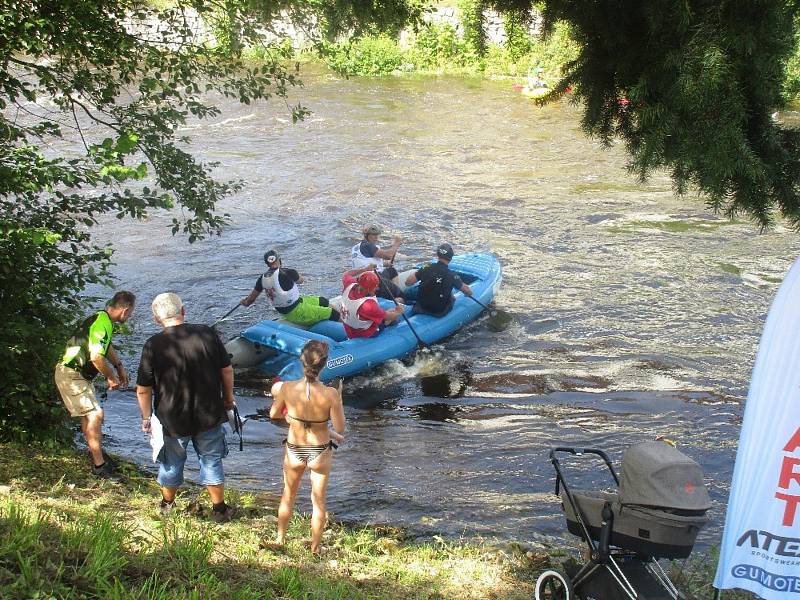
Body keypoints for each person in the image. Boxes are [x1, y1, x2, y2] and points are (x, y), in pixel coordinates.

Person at [136, 292, 238, 522]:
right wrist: (228, 399)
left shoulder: (152, 345)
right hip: (208, 412)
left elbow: (143, 388)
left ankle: (167, 505)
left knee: (171, 462)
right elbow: (227, 370)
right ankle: (219, 509)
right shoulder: (206, 333)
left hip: (171, 418)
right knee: (211, 459)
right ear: (183, 311)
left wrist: (146, 417)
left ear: (156, 319)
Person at [269, 340, 345, 555]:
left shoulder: (287, 387)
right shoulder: (330, 394)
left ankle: (280, 538)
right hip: (319, 450)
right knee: (318, 502)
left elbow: (274, 414)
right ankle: (315, 547)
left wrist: (293, 417)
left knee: (288, 495)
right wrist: (339, 398)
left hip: (294, 447)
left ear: (301, 360)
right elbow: (339, 427)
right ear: (325, 364)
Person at [54, 291, 136, 479]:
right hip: (71, 374)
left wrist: (119, 366)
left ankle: (96, 455)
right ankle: (100, 467)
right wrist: (111, 377)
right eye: (131, 313)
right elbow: (96, 357)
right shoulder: (102, 323)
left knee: (89, 418)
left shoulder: (102, 319)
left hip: (78, 375)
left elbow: (105, 347)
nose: (130, 317)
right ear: (125, 310)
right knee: (95, 415)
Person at [240, 249, 340, 326]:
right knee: (332, 313)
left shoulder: (261, 279)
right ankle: (349, 329)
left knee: (323, 301)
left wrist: (244, 302)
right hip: (296, 312)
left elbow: (250, 300)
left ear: (267, 264)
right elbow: (301, 281)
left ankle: (343, 318)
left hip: (293, 306)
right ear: (279, 260)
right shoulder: (289, 272)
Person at [404, 243, 472, 317]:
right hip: (439, 311)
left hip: (421, 306)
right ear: (450, 258)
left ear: (438, 255)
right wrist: (468, 293)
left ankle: (402, 301)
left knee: (408, 292)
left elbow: (408, 282)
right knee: (451, 294)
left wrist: (421, 273)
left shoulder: (426, 267)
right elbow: (468, 291)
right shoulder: (452, 275)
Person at [340, 268, 404, 339]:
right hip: (365, 333)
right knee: (393, 315)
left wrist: (364, 270)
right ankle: (394, 336)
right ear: (368, 289)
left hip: (349, 329)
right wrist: (398, 312)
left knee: (384, 313)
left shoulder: (349, 284)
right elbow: (388, 316)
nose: (377, 289)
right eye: (375, 287)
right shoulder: (368, 306)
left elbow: (346, 274)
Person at [350, 225, 405, 301]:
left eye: (377, 235)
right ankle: (396, 297)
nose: (376, 237)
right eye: (373, 235)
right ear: (367, 235)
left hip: (363, 279)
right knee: (403, 296)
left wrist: (384, 264)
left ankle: (392, 292)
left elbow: (366, 261)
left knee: (391, 271)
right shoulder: (367, 246)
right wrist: (396, 244)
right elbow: (388, 255)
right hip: (373, 280)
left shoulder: (358, 247)